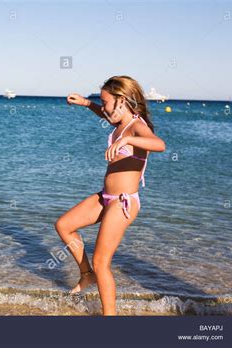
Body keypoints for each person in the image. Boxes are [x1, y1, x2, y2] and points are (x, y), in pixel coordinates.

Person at [55, 76, 166, 315]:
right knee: (64, 226)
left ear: (121, 101)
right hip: (106, 197)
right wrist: (87, 103)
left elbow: (159, 144)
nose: (103, 107)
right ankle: (86, 275)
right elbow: (103, 114)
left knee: (101, 262)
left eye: (106, 102)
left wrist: (128, 139)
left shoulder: (136, 126)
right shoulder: (119, 124)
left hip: (123, 202)